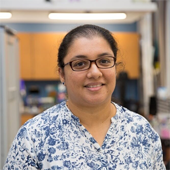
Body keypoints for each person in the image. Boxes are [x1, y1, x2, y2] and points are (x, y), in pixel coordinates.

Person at [3, 24, 165, 170]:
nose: (95, 72)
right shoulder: (33, 136)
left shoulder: (142, 131)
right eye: (80, 64)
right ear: (62, 74)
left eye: (104, 61)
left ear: (115, 68)